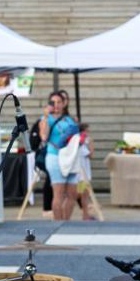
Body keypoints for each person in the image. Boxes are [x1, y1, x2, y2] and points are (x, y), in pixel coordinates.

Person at [38, 91, 79, 220]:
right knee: (59, 193)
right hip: (55, 156)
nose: (56, 105)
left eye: (59, 102)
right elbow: (44, 137)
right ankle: (58, 223)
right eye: (52, 102)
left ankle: (66, 222)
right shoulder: (46, 119)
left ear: (64, 103)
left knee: (72, 193)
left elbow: (78, 136)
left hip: (71, 157)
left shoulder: (69, 119)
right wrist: (45, 116)